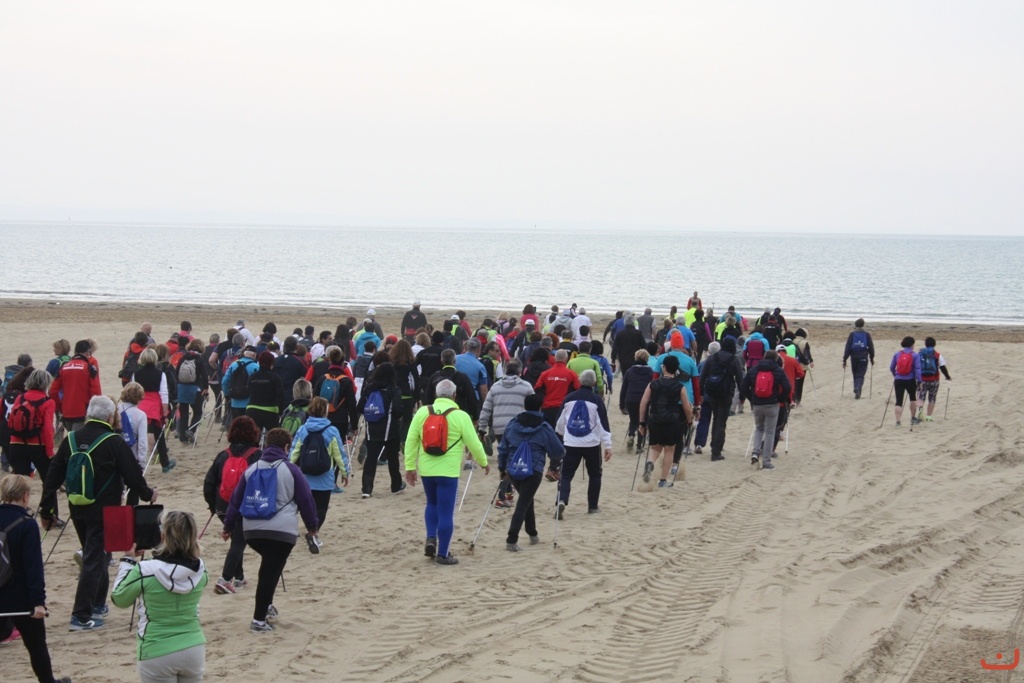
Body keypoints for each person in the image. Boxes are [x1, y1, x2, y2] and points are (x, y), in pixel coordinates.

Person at [40, 395, 158, 631]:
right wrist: (148, 494)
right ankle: (81, 615)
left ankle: (97, 604)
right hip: (105, 510)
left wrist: (46, 508)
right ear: (110, 416)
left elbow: (53, 475)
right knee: (94, 558)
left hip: (77, 506)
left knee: (99, 554)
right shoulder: (114, 442)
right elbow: (133, 475)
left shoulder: (71, 439)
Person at [223, 428, 319, 633]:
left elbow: (236, 500)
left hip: (252, 531)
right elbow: (306, 500)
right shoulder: (291, 470)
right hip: (281, 532)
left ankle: (266, 606)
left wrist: (228, 526)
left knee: (270, 568)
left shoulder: (251, 469)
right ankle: (258, 620)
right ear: (286, 447)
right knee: (269, 572)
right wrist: (312, 527)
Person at [111, 510, 208, 683]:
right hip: (193, 646)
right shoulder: (201, 569)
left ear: (163, 536)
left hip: (156, 649)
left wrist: (127, 561)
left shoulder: (146, 570)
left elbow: (119, 598)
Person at [403, 379, 489, 565]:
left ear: (436, 394)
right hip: (448, 471)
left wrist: (410, 466)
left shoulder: (422, 412)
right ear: (454, 396)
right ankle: (443, 553)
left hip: (427, 469)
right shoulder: (461, 416)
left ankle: (430, 537)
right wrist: (483, 462)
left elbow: (411, 440)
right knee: (446, 512)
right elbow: (473, 443)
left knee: (431, 503)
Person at [0, 475, 73, 683]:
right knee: (36, 645)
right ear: (25, 496)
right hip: (20, 598)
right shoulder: (26, 524)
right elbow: (33, 567)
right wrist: (38, 602)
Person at [203, 416, 262, 595]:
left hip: (223, 505)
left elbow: (209, 483)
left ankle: (239, 577)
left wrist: (213, 506)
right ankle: (225, 578)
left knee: (237, 538)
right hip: (245, 505)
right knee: (238, 541)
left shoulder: (223, 455)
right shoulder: (256, 456)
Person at [498, 394, 565, 551]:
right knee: (523, 503)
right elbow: (558, 451)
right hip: (533, 470)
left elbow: (502, 448)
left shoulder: (512, 424)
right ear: (540, 407)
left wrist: (502, 467)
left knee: (526, 499)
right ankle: (511, 540)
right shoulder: (544, 427)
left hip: (513, 469)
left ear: (524, 406)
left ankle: (532, 533)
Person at [288, 398, 349, 551]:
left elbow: (294, 452)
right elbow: (339, 454)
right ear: (325, 412)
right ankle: (313, 533)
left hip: (305, 477)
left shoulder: (303, 429)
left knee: (304, 505)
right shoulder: (332, 430)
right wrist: (345, 472)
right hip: (325, 477)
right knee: (321, 508)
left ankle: (303, 529)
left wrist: (288, 468)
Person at [478, 359, 535, 508]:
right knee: (512, 461)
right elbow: (534, 408)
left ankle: (509, 492)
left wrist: (482, 428)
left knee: (505, 459)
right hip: (518, 428)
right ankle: (502, 495)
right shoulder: (526, 386)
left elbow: (486, 409)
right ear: (520, 371)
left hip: (499, 428)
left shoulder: (495, 387)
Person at [555, 370, 612, 516]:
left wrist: (562, 436)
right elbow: (603, 424)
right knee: (595, 475)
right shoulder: (596, 400)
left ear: (579, 381)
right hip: (591, 444)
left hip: (571, 443)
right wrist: (608, 445)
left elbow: (560, 423)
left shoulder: (569, 398)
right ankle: (592, 506)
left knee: (566, 474)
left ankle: (562, 500)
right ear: (594, 383)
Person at [638, 355, 693, 488]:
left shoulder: (653, 384)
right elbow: (686, 407)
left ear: (664, 368)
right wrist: (690, 421)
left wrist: (642, 423)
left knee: (655, 448)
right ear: (676, 370)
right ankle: (662, 480)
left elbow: (643, 402)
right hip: (672, 420)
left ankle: (650, 463)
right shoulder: (680, 387)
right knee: (669, 450)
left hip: (655, 418)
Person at [355, 364, 404, 498]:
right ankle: (396, 485)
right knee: (393, 458)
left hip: (372, 427)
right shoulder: (393, 389)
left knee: (371, 458)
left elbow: (360, 407)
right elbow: (398, 409)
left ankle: (367, 489)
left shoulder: (369, 388)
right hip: (390, 428)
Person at [740, 350, 790, 471]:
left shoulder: (754, 369)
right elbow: (787, 387)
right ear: (776, 359)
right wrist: (780, 399)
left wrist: (752, 398)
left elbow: (743, 386)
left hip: (757, 404)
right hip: (772, 404)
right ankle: (766, 461)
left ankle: (755, 452)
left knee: (759, 428)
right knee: (769, 432)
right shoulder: (778, 370)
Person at [696, 338, 745, 460]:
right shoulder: (733, 359)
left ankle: (715, 445)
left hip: (711, 392)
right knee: (721, 421)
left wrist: (700, 393)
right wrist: (742, 396)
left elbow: (703, 376)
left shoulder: (712, 358)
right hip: (726, 393)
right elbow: (740, 378)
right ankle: (716, 451)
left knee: (716, 418)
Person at [133, 348, 175, 473]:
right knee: (159, 435)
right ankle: (165, 463)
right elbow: (164, 394)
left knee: (137, 436)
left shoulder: (136, 374)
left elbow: (133, 390)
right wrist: (165, 414)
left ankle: (135, 462)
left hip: (140, 404)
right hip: (154, 407)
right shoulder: (160, 374)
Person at [48, 340, 101, 432]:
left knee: (71, 437)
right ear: (87, 353)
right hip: (82, 413)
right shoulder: (89, 368)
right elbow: (96, 393)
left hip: (66, 412)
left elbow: (52, 391)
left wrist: (61, 407)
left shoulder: (64, 367)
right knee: (78, 439)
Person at [534, 349, 580, 428]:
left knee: (548, 430)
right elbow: (577, 390)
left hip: (547, 408)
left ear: (555, 358)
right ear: (566, 359)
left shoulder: (545, 374)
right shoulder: (572, 374)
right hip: (564, 407)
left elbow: (537, 389)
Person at [175, 339, 209, 443]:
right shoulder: (200, 359)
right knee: (198, 412)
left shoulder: (183, 358)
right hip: (195, 389)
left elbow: (177, 372)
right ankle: (191, 430)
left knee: (184, 414)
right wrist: (206, 388)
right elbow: (204, 375)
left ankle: (183, 437)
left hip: (182, 388)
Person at [621, 349, 655, 452]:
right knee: (643, 421)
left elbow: (624, 388)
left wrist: (622, 404)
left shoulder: (630, 371)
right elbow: (653, 387)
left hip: (631, 398)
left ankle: (631, 434)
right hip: (644, 399)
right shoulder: (650, 372)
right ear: (647, 359)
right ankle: (639, 446)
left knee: (633, 419)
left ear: (635, 358)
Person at [245, 352, 285, 433]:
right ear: (272, 363)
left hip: (252, 409)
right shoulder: (275, 377)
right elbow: (281, 396)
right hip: (270, 411)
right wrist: (281, 412)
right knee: (274, 436)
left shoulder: (252, 377)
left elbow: (248, 391)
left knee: (253, 436)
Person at [916, 337, 952, 422]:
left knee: (921, 396)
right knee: (932, 397)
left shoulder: (920, 354)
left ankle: (920, 411)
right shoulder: (937, 355)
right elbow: (942, 367)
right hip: (934, 379)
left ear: (925, 344)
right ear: (934, 344)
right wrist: (947, 376)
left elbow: (916, 366)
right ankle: (929, 416)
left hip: (922, 379)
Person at [221, 346, 258, 425]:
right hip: (251, 403)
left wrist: (227, 395)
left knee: (237, 426)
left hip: (235, 402)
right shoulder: (256, 367)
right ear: (254, 355)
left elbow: (224, 382)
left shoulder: (233, 365)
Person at [890, 336, 921, 428]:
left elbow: (891, 367)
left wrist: (895, 374)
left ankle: (898, 422)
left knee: (899, 401)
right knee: (913, 398)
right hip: (910, 379)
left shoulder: (897, 354)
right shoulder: (915, 355)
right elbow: (918, 369)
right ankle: (913, 417)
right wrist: (919, 380)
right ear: (912, 344)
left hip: (898, 379)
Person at [842, 318, 875, 399]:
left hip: (854, 355)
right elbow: (871, 346)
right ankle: (857, 388)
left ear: (855, 325)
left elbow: (848, 346)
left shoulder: (852, 334)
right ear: (863, 325)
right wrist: (872, 357)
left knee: (855, 373)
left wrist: (845, 358)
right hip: (863, 355)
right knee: (860, 374)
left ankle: (857, 390)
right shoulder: (867, 334)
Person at [272, 337, 308, 410]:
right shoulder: (300, 361)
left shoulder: (276, 360)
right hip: (293, 396)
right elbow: (306, 377)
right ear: (296, 347)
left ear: (284, 347)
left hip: (276, 395)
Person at [792, 328, 814, 406]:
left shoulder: (792, 341)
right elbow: (807, 354)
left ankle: (792, 399)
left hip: (792, 365)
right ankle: (798, 401)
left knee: (793, 383)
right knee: (800, 384)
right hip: (802, 366)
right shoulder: (805, 343)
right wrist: (811, 361)